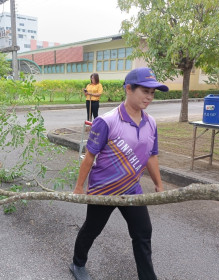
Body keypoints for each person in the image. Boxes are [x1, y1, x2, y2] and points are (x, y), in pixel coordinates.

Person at [69, 67, 168, 280]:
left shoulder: (151, 123)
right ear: (129, 89)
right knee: (92, 229)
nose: (150, 97)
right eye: (145, 91)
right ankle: (77, 263)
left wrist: (159, 184)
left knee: (143, 233)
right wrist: (79, 187)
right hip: (104, 190)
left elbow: (151, 155)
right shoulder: (106, 121)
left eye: (153, 93)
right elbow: (89, 157)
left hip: (132, 189)